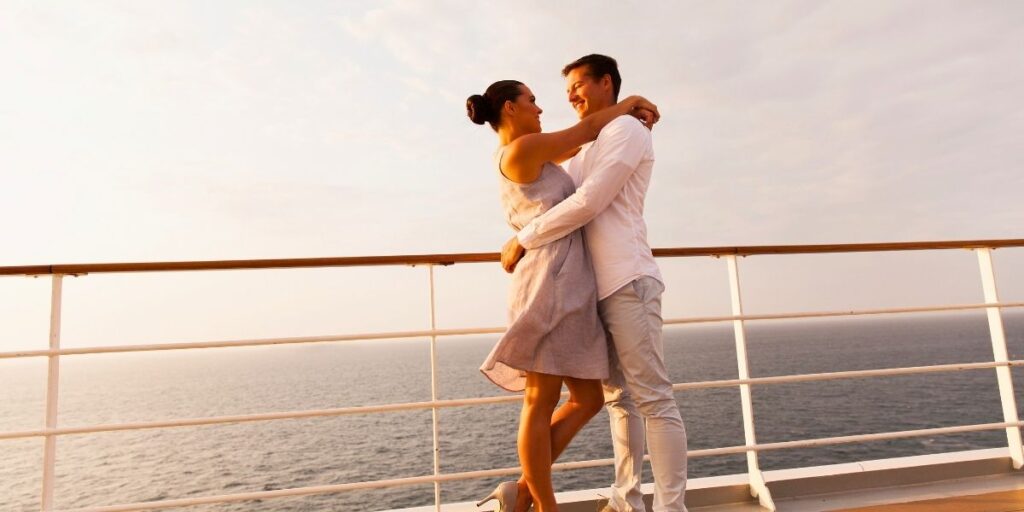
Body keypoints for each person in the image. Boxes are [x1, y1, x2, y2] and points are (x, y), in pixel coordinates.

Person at [501, 55, 688, 512]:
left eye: (579, 84)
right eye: (566, 89)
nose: (570, 96)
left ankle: (670, 508)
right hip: (592, 290)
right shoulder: (591, 143)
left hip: (627, 279)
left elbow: (589, 202)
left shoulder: (626, 130)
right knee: (620, 400)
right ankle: (627, 500)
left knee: (653, 399)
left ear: (607, 83)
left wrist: (522, 238)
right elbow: (553, 196)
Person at [467, 80, 659, 512]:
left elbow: (591, 150)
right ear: (510, 109)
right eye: (531, 100)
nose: (540, 108)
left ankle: (522, 491)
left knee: (588, 398)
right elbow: (586, 130)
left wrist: (627, 129)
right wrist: (631, 103)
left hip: (569, 279)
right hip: (549, 280)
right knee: (541, 399)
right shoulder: (521, 150)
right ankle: (544, 506)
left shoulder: (535, 153)